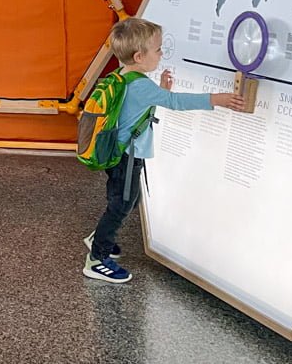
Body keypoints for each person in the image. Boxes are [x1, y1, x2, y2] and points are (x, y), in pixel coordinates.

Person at [83, 16, 245, 284]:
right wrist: (216, 99)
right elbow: (175, 102)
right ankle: (97, 258)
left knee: (124, 200)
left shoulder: (124, 76)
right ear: (139, 55)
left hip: (118, 154)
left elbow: (135, 110)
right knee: (122, 204)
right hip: (128, 156)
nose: (161, 54)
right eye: (158, 50)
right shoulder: (141, 85)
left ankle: (100, 236)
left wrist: (159, 90)